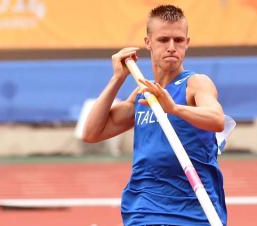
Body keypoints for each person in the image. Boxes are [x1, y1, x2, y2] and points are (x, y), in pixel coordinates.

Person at [82, 4, 227, 226]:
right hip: (144, 206)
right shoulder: (144, 94)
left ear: (187, 43)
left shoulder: (195, 84)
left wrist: (175, 109)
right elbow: (91, 133)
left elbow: (217, 119)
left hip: (194, 208)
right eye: (163, 40)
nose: (171, 47)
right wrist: (117, 79)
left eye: (178, 40)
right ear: (148, 42)